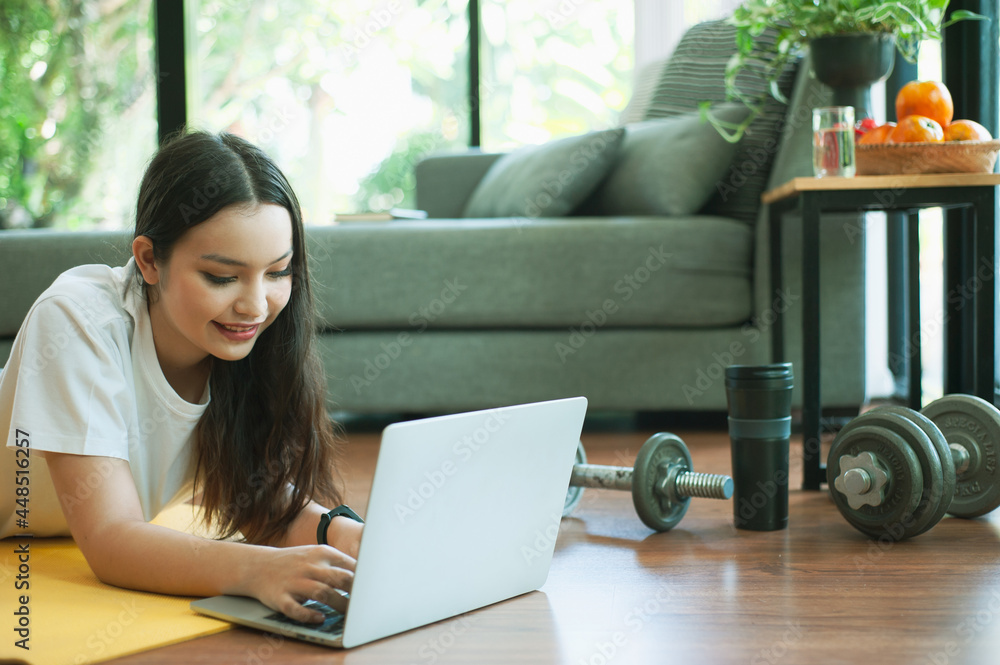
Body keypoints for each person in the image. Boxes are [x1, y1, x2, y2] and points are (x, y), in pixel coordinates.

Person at [0, 130, 360, 623]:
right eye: (221, 277)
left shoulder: (233, 344)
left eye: (278, 272)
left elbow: (256, 494)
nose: (256, 305)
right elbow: (110, 539)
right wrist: (261, 571)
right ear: (149, 260)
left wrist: (345, 535)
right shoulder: (77, 319)